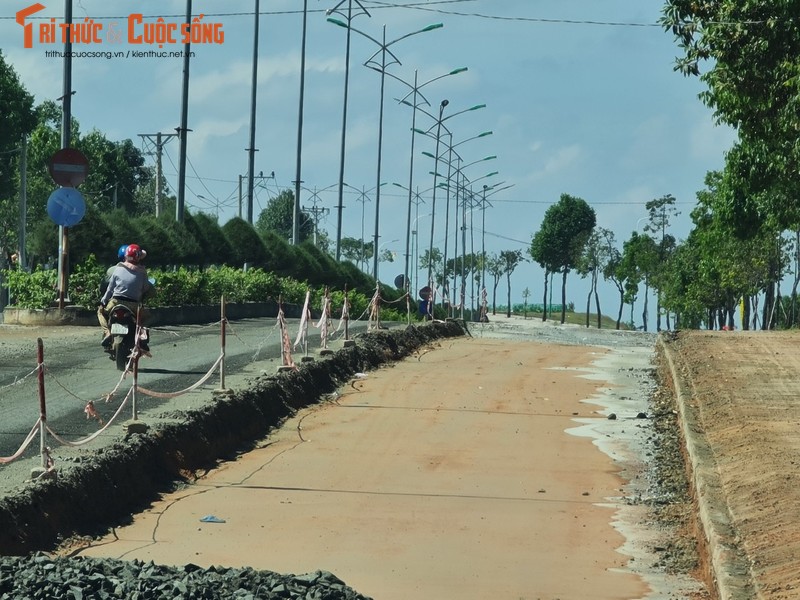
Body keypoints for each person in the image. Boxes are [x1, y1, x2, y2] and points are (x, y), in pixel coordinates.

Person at [98, 244, 153, 350]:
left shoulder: (117, 269)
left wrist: (103, 302)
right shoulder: (142, 272)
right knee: (148, 316)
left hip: (116, 302)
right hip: (134, 305)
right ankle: (142, 332)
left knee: (100, 312)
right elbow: (146, 288)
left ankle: (107, 332)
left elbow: (110, 289)